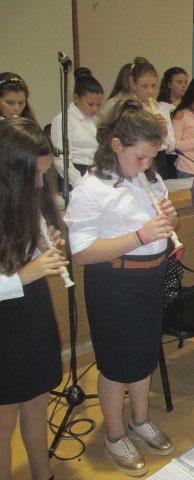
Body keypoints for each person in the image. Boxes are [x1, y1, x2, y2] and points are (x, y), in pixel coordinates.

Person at [65, 98, 177, 476]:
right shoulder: (90, 188)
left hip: (150, 279)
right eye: (140, 157)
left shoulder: (145, 178)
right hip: (114, 283)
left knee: (144, 356)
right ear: (116, 145)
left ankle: (139, 419)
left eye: (151, 158)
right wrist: (140, 235)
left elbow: (160, 227)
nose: (146, 165)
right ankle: (114, 436)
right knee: (115, 365)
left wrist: (168, 220)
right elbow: (81, 252)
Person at [0, 118, 66, 480]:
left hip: (33, 310)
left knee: (37, 403)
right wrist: (26, 274)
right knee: (4, 420)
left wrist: (44, 244)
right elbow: (18, 271)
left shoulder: (25, 197)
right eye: (35, 174)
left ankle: (44, 474)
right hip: (5, 322)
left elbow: (25, 252)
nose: (41, 183)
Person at [50, 69, 104, 188]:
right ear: (76, 98)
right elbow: (60, 160)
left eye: (98, 104)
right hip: (74, 175)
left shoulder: (97, 119)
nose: (95, 109)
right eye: (90, 104)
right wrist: (80, 182)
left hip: (96, 171)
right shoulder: (64, 120)